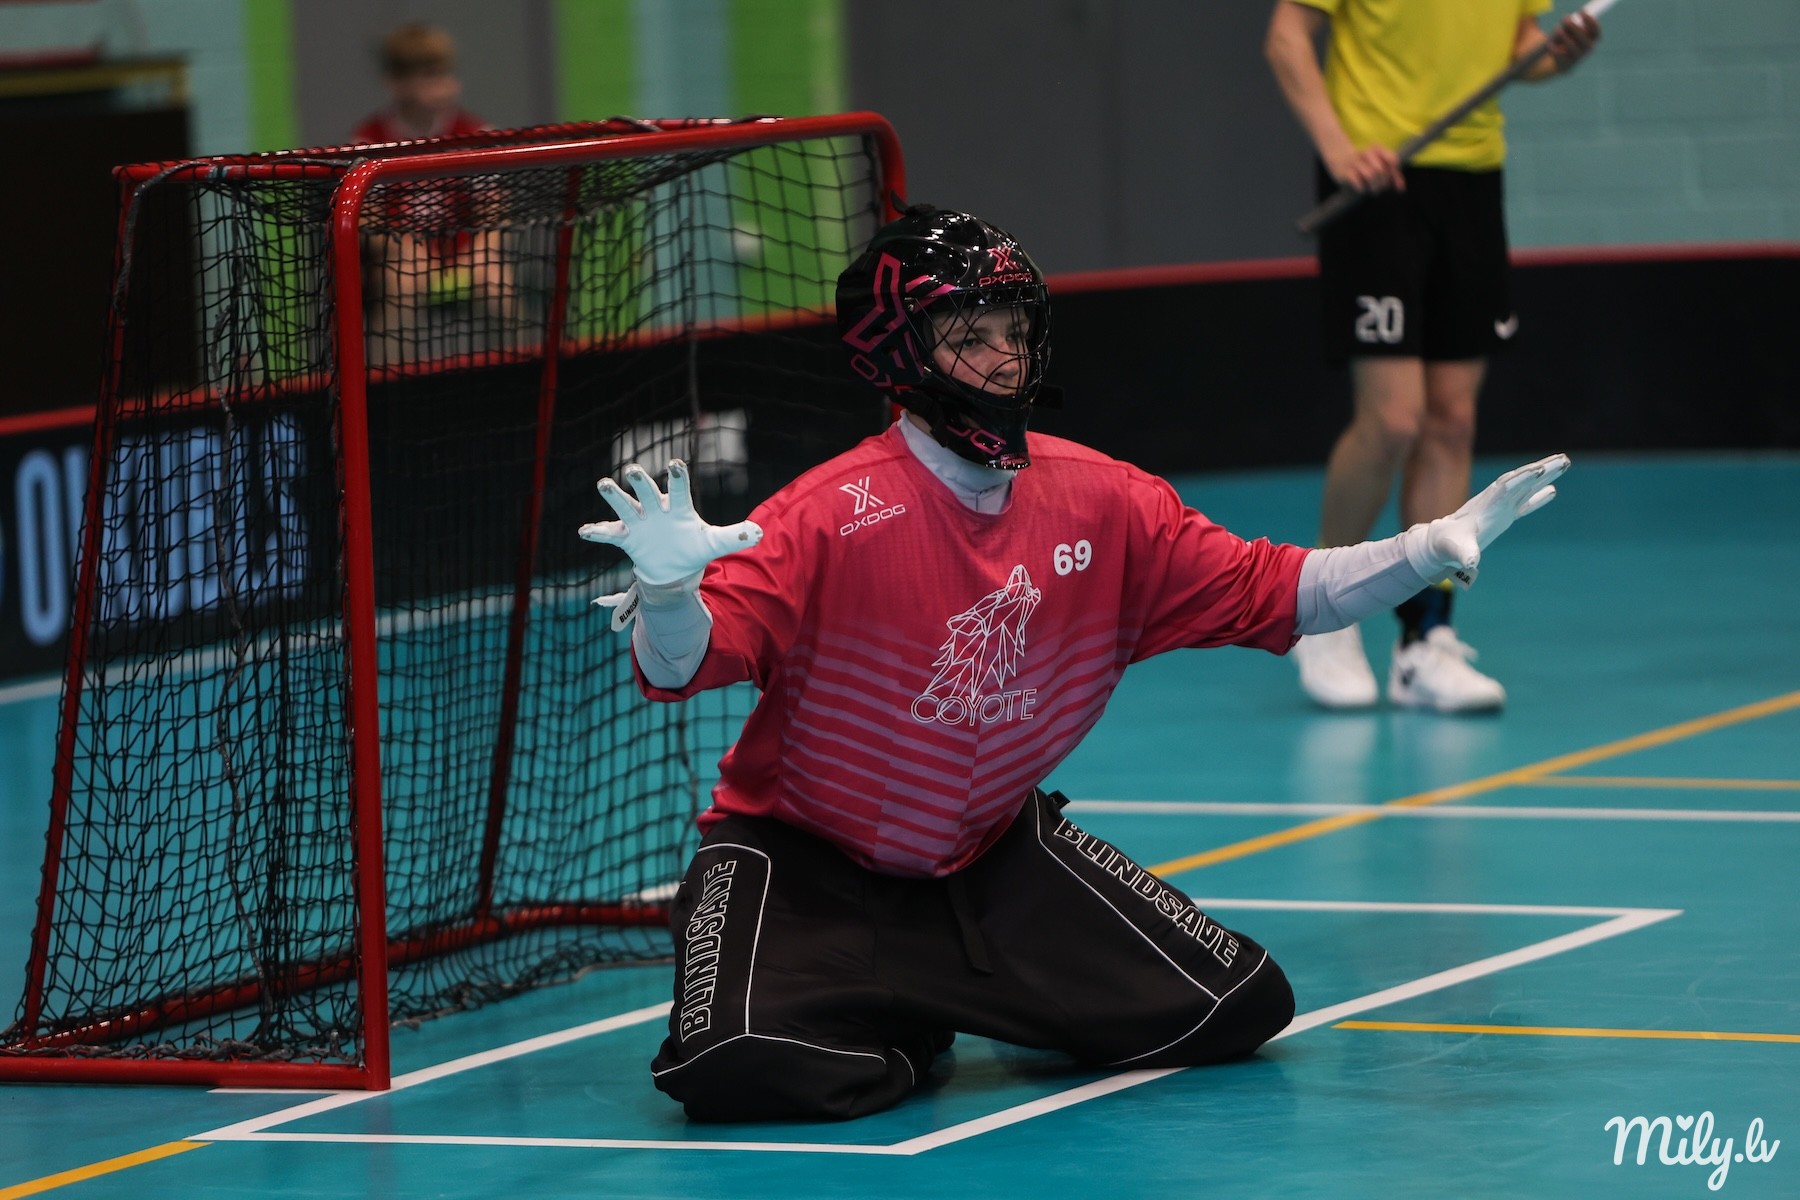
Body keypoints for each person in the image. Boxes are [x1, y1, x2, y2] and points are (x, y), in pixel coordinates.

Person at [579, 206, 1568, 1122]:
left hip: (990, 857)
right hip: (800, 864)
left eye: (1014, 328)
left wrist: (1424, 551)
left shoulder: (1107, 500)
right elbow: (680, 669)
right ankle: (911, 1018)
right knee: (730, 1065)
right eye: (971, 334)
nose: (1005, 356)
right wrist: (667, 595)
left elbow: (1283, 589)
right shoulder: (824, 513)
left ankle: (912, 994)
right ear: (899, 353)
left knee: (1236, 1005)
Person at [1264, 0, 1599, 712]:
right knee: (1392, 420)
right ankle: (1322, 609)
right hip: (1376, 174)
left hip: (1470, 176)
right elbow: (1286, 38)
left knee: (1451, 421)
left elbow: (1517, 45)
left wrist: (1557, 54)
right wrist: (1336, 147)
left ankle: (1425, 638)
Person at [351, 23, 511, 342]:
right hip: (405, 260)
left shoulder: (475, 134)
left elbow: (494, 208)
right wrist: (400, 247)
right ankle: (387, 371)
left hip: (465, 255)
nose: (443, 85)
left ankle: (522, 365)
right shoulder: (368, 141)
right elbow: (365, 218)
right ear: (396, 82)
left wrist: (481, 250)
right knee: (401, 279)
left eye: (445, 73)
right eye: (429, 76)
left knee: (496, 279)